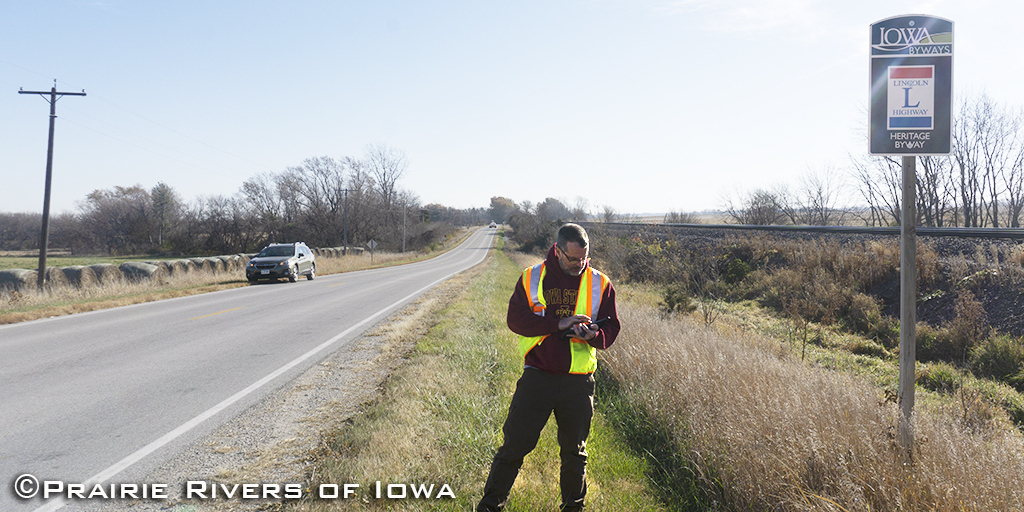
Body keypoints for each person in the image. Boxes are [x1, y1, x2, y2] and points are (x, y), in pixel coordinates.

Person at [478, 223, 621, 512]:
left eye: (584, 258)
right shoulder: (532, 277)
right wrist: (557, 325)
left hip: (578, 382)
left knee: (574, 453)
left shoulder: (600, 283)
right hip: (538, 378)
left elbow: (611, 330)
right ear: (557, 251)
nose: (579, 265)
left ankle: (573, 508)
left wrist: (593, 335)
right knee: (513, 448)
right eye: (573, 259)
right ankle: (490, 506)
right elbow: (515, 320)